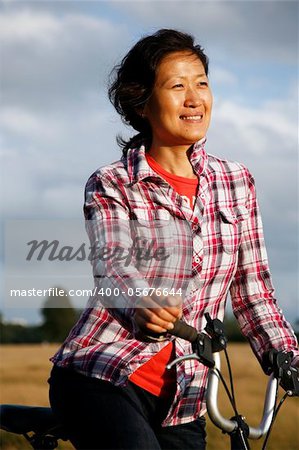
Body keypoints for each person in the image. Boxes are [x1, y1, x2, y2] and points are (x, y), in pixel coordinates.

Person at [48, 29, 298, 450]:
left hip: (185, 399)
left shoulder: (236, 182)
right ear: (141, 101)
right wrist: (141, 303)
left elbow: (252, 288)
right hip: (103, 375)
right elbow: (114, 268)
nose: (194, 98)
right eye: (177, 86)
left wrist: (286, 358)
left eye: (201, 83)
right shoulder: (112, 183)